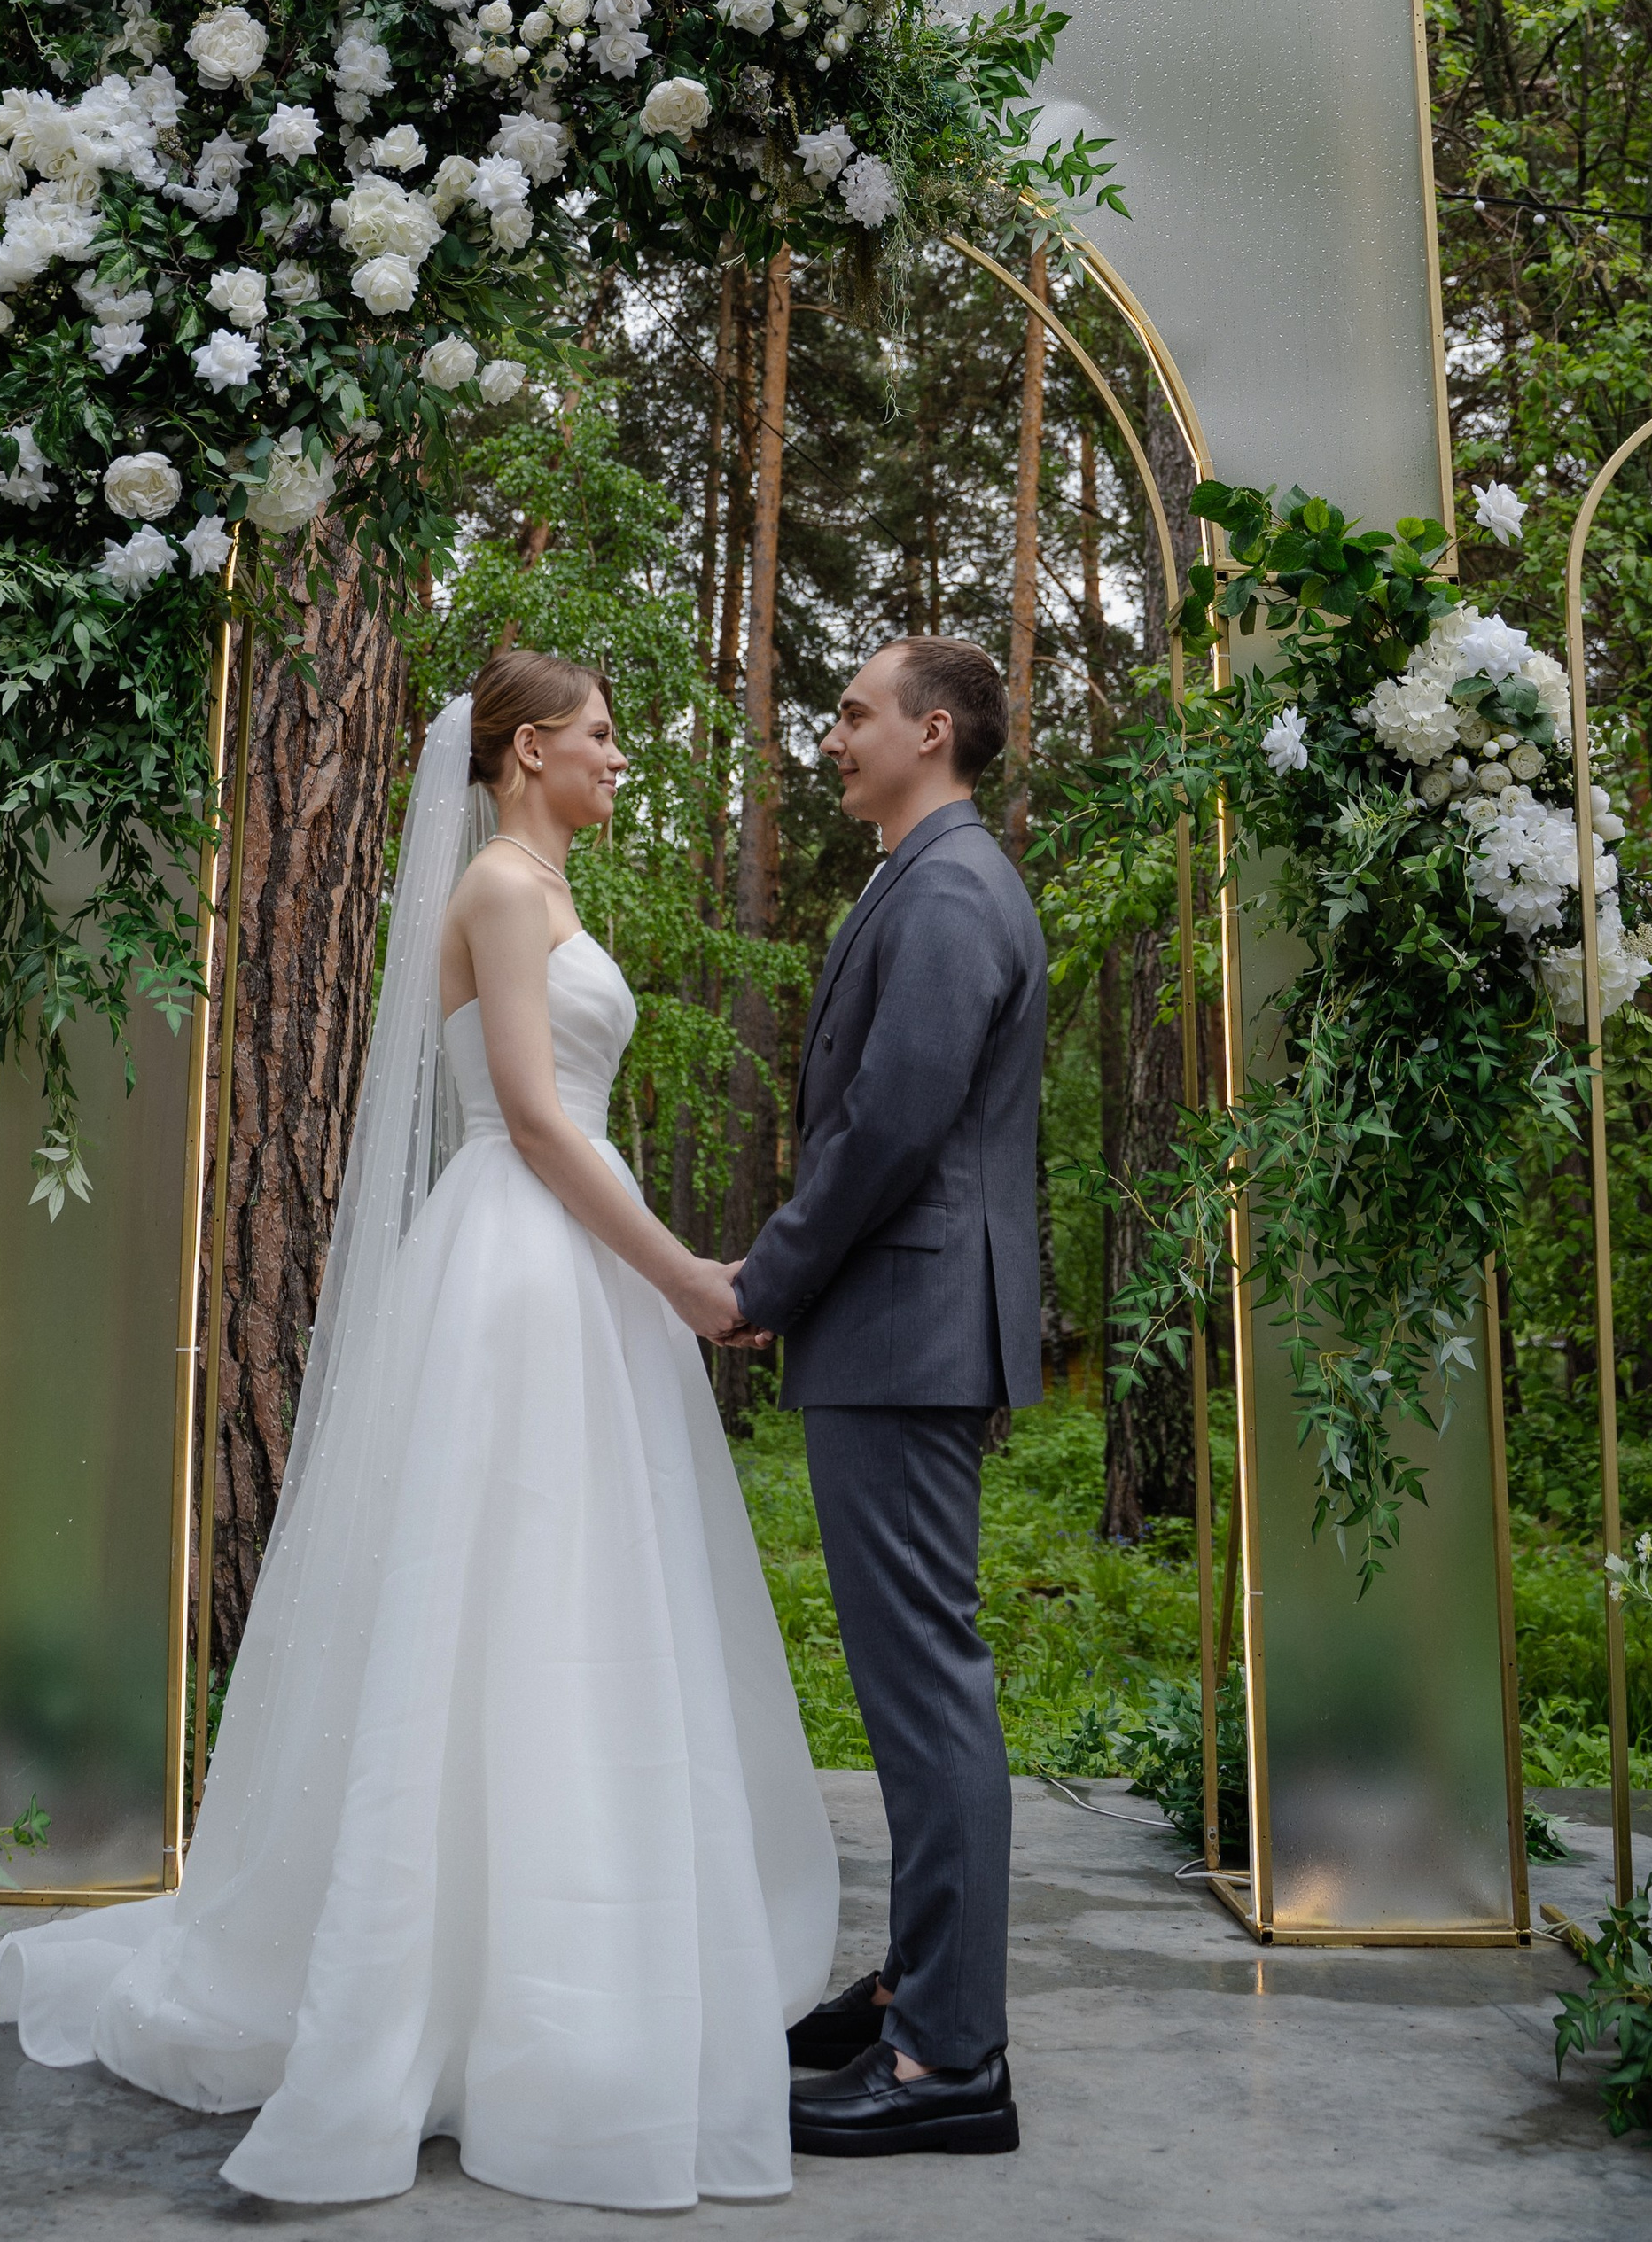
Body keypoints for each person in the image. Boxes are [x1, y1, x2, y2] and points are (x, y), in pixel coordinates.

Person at [0, 650, 838, 2209]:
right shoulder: (506, 892)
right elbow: (526, 1113)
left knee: (573, 1603)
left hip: (571, 1261)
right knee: (500, 1597)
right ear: (524, 753)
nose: (621, 763)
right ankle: (465, 1992)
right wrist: (690, 1281)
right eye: (601, 739)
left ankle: (561, 1954)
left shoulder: (545, 888)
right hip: (523, 1261)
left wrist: (657, 1277)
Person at [731, 635, 1046, 2161]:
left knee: (927, 1694)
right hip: (904, 1328)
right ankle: (922, 1986)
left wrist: (766, 1278)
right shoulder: (919, 877)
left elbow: (890, 1124)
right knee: (919, 1688)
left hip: (906, 1327)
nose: (833, 735)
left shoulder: (951, 889)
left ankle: (947, 2063)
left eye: (853, 714)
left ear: (934, 730)